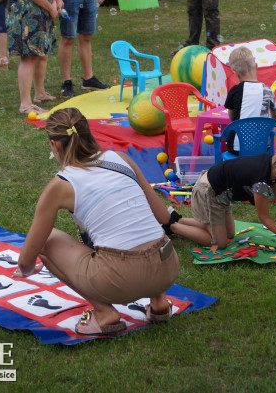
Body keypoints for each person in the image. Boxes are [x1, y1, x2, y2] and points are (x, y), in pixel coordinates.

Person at [15, 108, 179, 336]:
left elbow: (27, 257)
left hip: (120, 278)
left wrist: (26, 268)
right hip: (167, 266)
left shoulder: (61, 184)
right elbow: (163, 217)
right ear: (88, 134)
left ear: (56, 145)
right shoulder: (120, 158)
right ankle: (160, 303)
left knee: (47, 240)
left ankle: (104, 313)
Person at [168, 146, 276, 252]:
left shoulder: (272, 167)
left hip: (222, 196)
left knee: (230, 234)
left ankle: (179, 219)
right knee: (219, 243)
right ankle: (172, 226)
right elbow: (264, 217)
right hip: (209, 193)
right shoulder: (261, 182)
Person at [225, 47, 276, 122]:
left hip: (239, 133)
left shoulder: (234, 91)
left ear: (236, 73)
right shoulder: (267, 90)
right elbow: (275, 116)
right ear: (256, 66)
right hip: (262, 133)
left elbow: (232, 117)